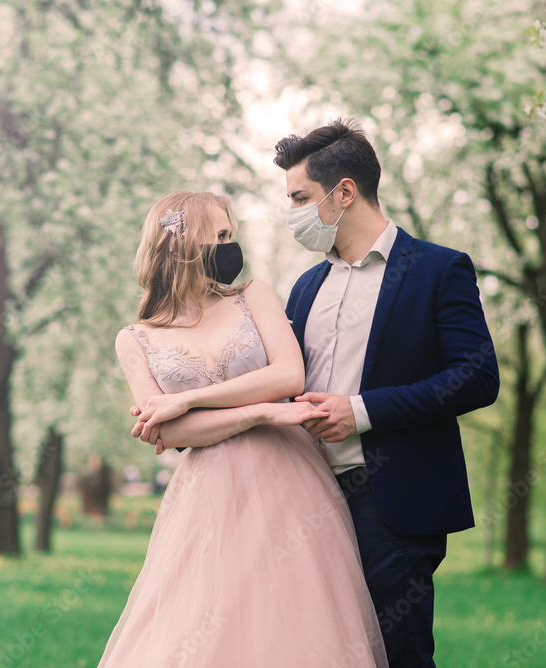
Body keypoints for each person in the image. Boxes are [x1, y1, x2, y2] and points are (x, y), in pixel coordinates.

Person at [99, 190, 389, 667]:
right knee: (204, 625)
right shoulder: (134, 339)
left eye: (230, 234)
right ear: (181, 243)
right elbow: (169, 433)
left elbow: (288, 375)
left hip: (289, 480)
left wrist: (189, 399)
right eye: (219, 236)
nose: (229, 247)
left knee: (295, 621)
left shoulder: (254, 296)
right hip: (206, 495)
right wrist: (260, 413)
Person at [275, 118, 500, 668]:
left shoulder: (438, 270)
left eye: (300, 197)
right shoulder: (306, 286)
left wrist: (361, 412)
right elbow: (282, 384)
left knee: (395, 656)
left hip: (390, 501)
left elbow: (477, 376)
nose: (291, 213)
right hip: (306, 499)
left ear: (344, 192)